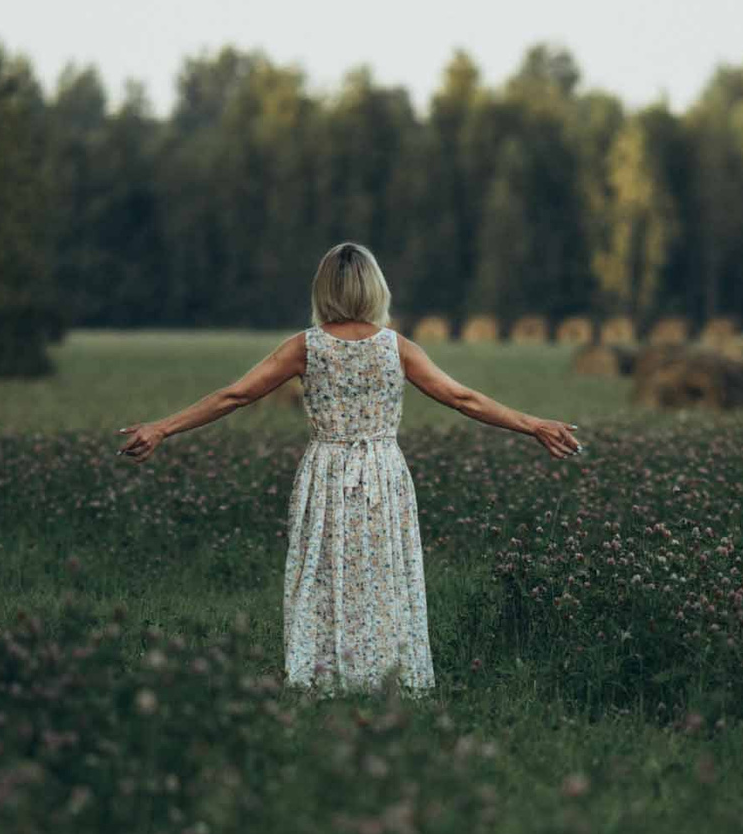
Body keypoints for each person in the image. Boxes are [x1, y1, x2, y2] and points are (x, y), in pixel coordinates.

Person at [116, 242, 583, 692]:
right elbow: (462, 398)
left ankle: (320, 675)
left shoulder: (306, 347)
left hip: (326, 472)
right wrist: (532, 424)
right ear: (375, 289)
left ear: (324, 291)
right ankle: (390, 677)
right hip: (384, 473)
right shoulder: (396, 348)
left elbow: (235, 395)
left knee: (321, 574)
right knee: (384, 577)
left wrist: (162, 428)